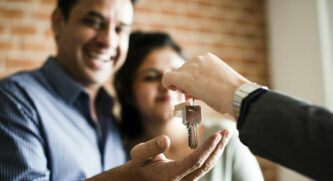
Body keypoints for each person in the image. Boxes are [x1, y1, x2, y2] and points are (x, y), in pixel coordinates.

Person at [0, 0, 230, 180]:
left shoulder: (108, 114)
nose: (108, 40)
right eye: (94, 22)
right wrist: (129, 177)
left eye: (120, 29)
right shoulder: (14, 100)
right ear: (59, 22)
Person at [114, 31, 264, 181]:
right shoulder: (121, 156)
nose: (166, 85)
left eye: (176, 74)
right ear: (127, 92)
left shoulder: (226, 137)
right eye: (151, 77)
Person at [162, 52, 333, 180]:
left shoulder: (223, 133)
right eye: (150, 77)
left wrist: (239, 95)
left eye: (179, 73)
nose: (167, 86)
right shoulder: (135, 161)